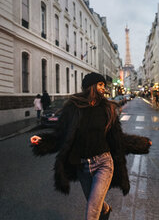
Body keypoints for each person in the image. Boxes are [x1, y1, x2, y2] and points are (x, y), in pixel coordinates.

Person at [30, 72, 152, 220]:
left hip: (104, 163)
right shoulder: (73, 108)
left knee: (92, 213)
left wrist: (141, 143)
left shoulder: (107, 109)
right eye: (100, 85)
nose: (103, 88)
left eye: (103, 85)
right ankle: (106, 210)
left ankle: (101, 211)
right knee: (94, 203)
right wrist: (42, 141)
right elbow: (61, 135)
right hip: (82, 167)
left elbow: (117, 139)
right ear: (91, 87)